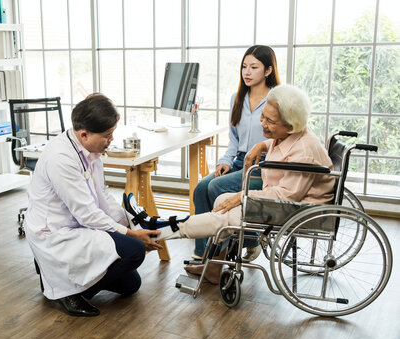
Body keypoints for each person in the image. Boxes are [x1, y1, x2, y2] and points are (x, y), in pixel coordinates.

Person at [124, 84, 335, 283]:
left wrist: (242, 196)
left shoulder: (304, 152)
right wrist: (261, 145)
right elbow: (279, 143)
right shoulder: (292, 134)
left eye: (270, 121)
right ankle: (214, 265)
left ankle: (155, 228)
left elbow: (286, 197)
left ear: (290, 125)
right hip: (283, 203)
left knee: (224, 216)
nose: (263, 123)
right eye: (263, 117)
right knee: (222, 202)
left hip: (298, 211)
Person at [24, 93, 162, 317]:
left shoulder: (91, 151)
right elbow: (87, 214)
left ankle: (56, 274)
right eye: (107, 135)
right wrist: (130, 235)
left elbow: (102, 195)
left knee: (131, 285)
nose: (111, 140)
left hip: (79, 224)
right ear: (84, 134)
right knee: (134, 251)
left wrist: (127, 224)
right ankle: (63, 291)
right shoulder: (61, 158)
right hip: (56, 232)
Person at [192, 45, 280, 261]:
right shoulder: (237, 98)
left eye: (254, 67)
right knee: (201, 188)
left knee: (216, 186)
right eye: (244, 67)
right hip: (240, 161)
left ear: (268, 70)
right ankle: (204, 253)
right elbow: (234, 140)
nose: (247, 72)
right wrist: (225, 161)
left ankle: (241, 243)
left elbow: (283, 138)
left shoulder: (277, 100)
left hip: (263, 166)